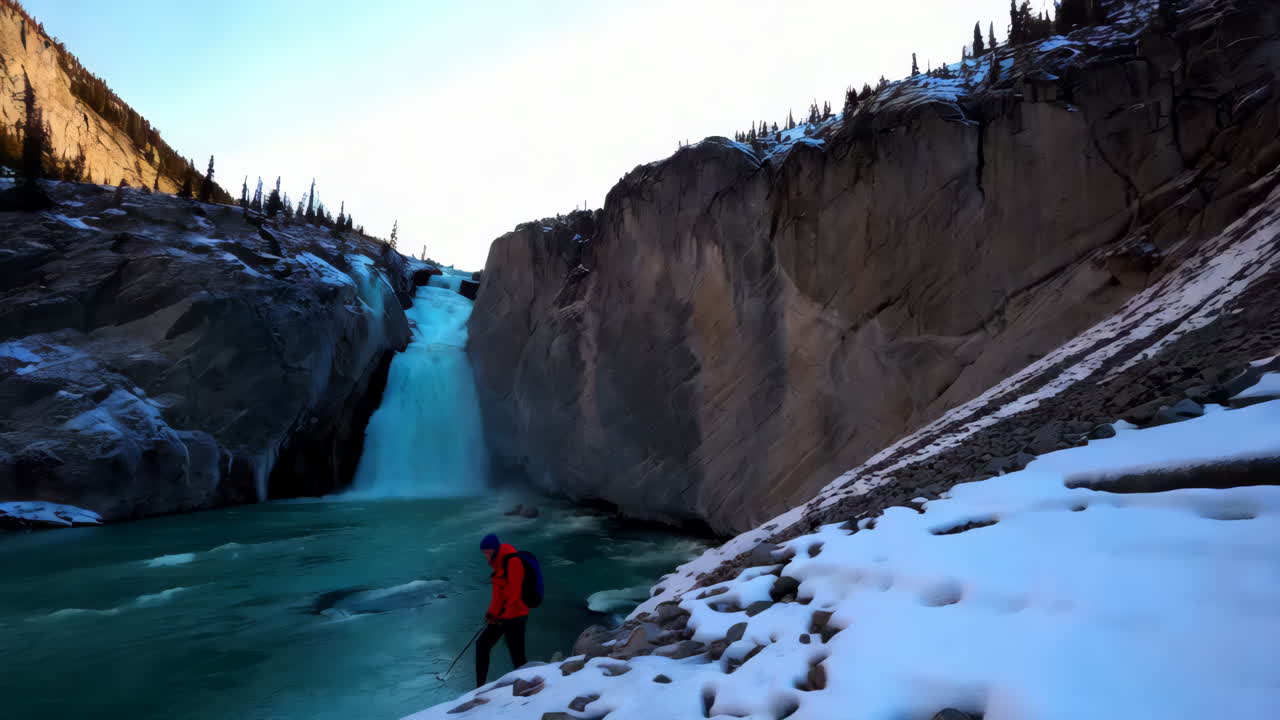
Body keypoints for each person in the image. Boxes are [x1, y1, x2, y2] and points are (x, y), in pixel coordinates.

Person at [476, 533, 528, 687]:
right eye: (483, 553)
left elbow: (515, 593)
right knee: (482, 644)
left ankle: (526, 690)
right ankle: (479, 687)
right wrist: (491, 613)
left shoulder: (513, 562)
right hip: (502, 616)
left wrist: (503, 615)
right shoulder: (497, 565)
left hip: (517, 615)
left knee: (517, 657)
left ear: (494, 550)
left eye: (487, 552)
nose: (485, 556)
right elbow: (498, 596)